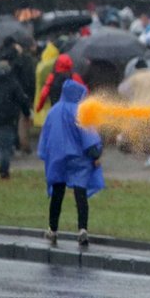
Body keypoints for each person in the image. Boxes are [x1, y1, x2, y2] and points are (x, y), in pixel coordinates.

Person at [38, 79, 104, 247]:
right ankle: (82, 229)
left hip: (58, 158)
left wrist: (47, 154)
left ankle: (52, 230)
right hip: (79, 159)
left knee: (57, 194)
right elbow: (89, 137)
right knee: (80, 193)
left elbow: (46, 136)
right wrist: (96, 155)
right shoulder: (80, 112)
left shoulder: (53, 111)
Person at [0, 59, 31, 179]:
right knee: (5, 147)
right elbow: (22, 100)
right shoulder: (13, 84)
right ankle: (4, 172)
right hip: (7, 121)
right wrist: (26, 113)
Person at [117, 59, 150, 167]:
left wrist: (132, 96)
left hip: (142, 111)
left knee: (146, 135)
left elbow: (121, 90)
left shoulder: (134, 78)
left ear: (136, 69)